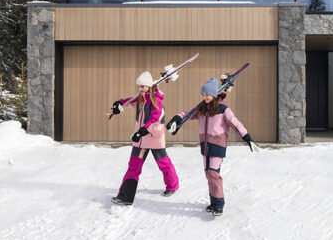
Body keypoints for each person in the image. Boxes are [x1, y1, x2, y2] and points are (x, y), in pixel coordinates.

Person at [166, 77, 256, 216]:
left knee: (213, 174)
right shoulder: (202, 110)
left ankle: (219, 205)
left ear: (214, 94)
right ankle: (214, 202)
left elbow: (236, 124)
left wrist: (247, 138)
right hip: (205, 146)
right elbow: (186, 114)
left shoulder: (223, 110)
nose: (205, 97)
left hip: (218, 145)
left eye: (207, 94)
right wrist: (176, 118)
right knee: (209, 174)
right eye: (203, 94)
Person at [107, 71, 179, 206]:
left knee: (163, 163)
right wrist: (119, 104)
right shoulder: (141, 98)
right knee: (133, 166)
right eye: (138, 86)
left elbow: (154, 119)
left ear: (149, 86)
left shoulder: (156, 100)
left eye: (142, 86)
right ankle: (125, 197)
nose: (139, 89)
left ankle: (173, 185)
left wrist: (141, 131)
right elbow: (129, 101)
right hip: (140, 140)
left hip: (153, 138)